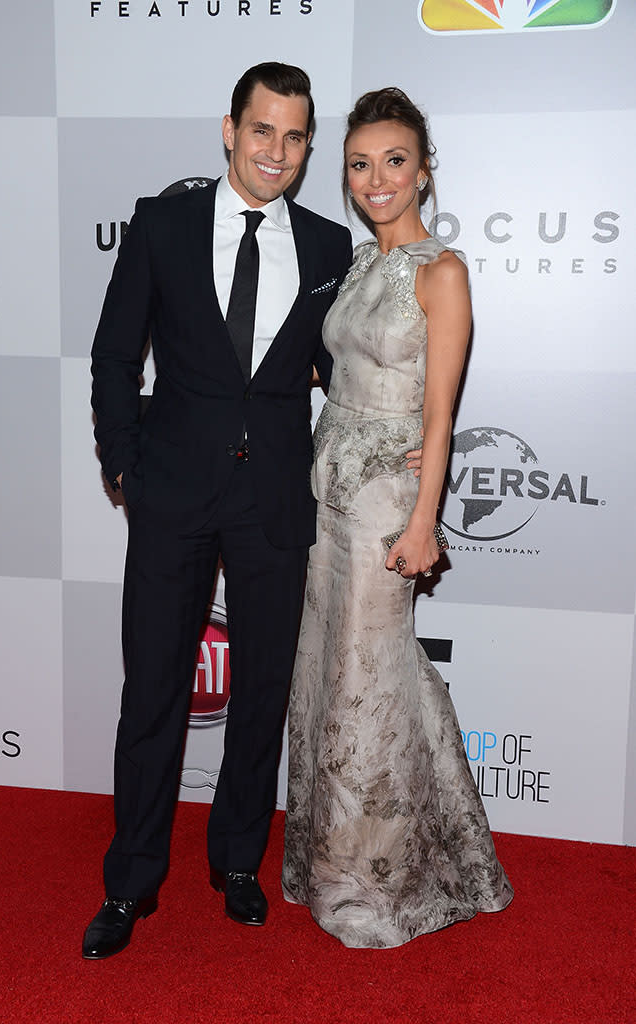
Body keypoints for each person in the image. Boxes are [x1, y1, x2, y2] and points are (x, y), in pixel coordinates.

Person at [82, 62, 355, 960]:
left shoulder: (327, 247)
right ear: (229, 129)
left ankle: (239, 860)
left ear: (309, 145)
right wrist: (126, 466)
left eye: (296, 135)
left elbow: (334, 372)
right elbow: (115, 353)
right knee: (153, 690)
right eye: (263, 130)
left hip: (275, 497)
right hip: (171, 494)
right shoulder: (161, 223)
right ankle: (131, 881)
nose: (278, 151)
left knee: (263, 688)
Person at [282, 88, 513, 949]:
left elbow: (441, 413)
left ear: (424, 170)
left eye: (394, 161)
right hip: (327, 491)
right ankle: (320, 856)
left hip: (385, 504)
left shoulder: (439, 272)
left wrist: (425, 520)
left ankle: (374, 879)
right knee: (328, 672)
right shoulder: (351, 265)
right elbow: (336, 370)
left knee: (371, 680)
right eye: (359, 163)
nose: (376, 179)